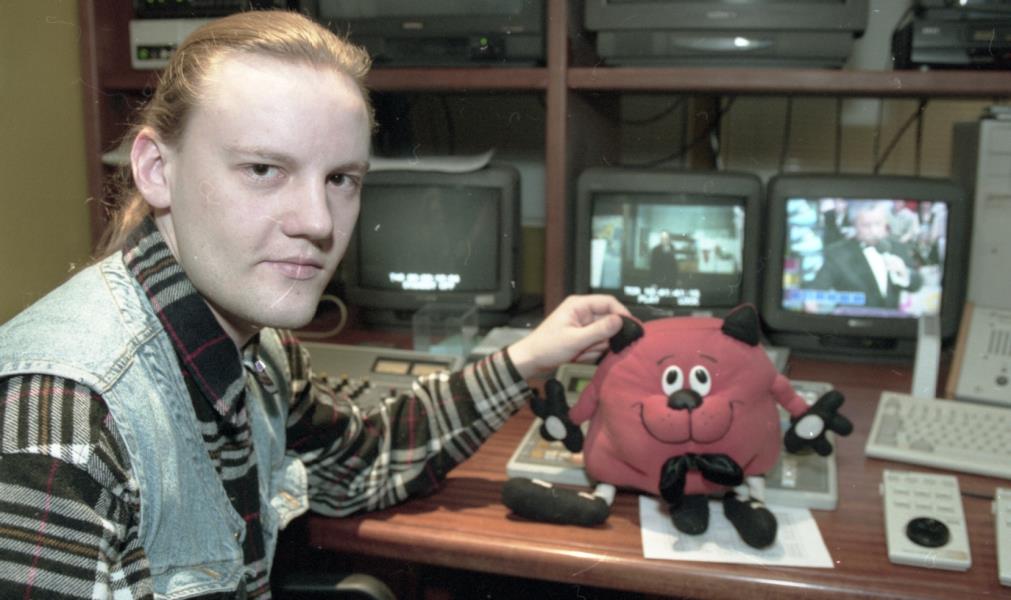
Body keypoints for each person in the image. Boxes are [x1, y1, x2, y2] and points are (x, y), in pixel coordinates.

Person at [0, 11, 628, 599]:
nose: (319, 222)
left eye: (340, 179)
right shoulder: (64, 416)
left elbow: (363, 463)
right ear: (156, 170)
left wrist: (526, 359)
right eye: (264, 169)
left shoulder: (262, 351)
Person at [809, 201, 922, 310]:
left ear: (885, 222)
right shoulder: (837, 253)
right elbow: (816, 290)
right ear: (854, 224)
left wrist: (905, 272)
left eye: (878, 224)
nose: (874, 231)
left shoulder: (897, 247)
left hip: (891, 321)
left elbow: (917, 285)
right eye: (866, 225)